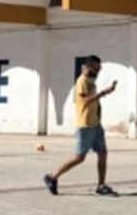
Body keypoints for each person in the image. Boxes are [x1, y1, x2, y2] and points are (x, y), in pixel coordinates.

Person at [43, 55, 118, 196]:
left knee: (103, 153)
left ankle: (101, 185)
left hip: (95, 125)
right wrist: (103, 93)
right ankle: (52, 177)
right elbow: (84, 101)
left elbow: (95, 103)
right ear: (89, 68)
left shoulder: (91, 82)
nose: (97, 71)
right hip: (85, 126)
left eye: (99, 68)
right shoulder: (81, 81)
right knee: (79, 158)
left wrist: (99, 114)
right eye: (96, 69)